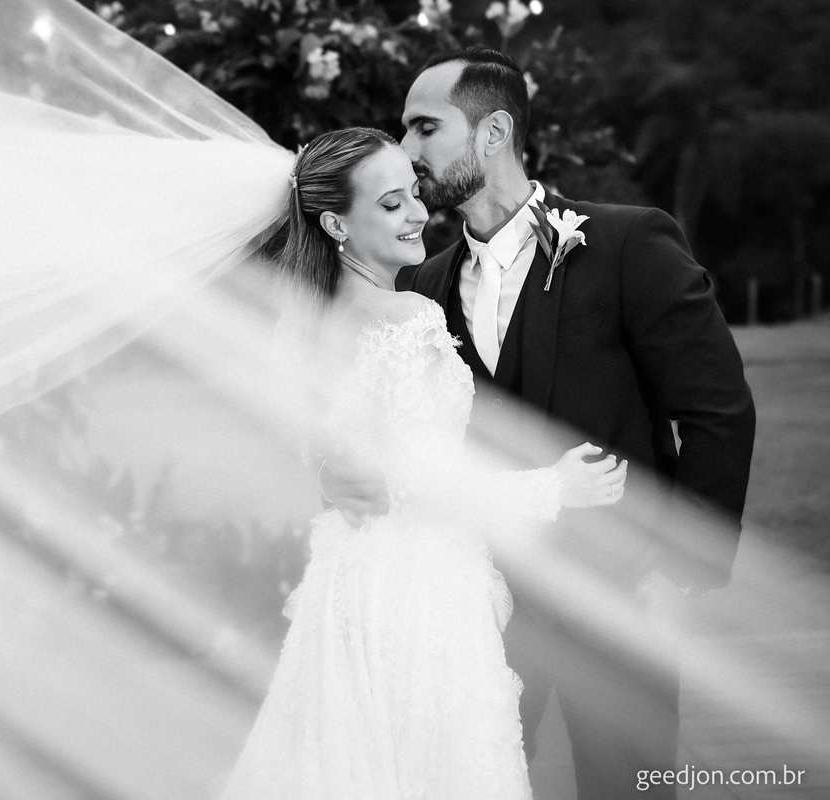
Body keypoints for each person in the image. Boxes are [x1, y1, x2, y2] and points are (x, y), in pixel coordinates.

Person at [324, 48, 756, 800]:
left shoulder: (628, 244)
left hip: (620, 610)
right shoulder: (419, 285)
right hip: (472, 614)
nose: (407, 148)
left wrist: (678, 576)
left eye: (425, 127)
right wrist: (343, 473)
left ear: (493, 133)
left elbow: (718, 412)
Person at [222, 127, 628, 800]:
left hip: (349, 583)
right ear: (335, 224)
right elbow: (426, 485)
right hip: (419, 593)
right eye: (391, 204)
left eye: (414, 193)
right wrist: (555, 487)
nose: (418, 213)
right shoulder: (407, 318)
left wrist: (328, 477)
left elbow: (331, 455)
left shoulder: (307, 321)